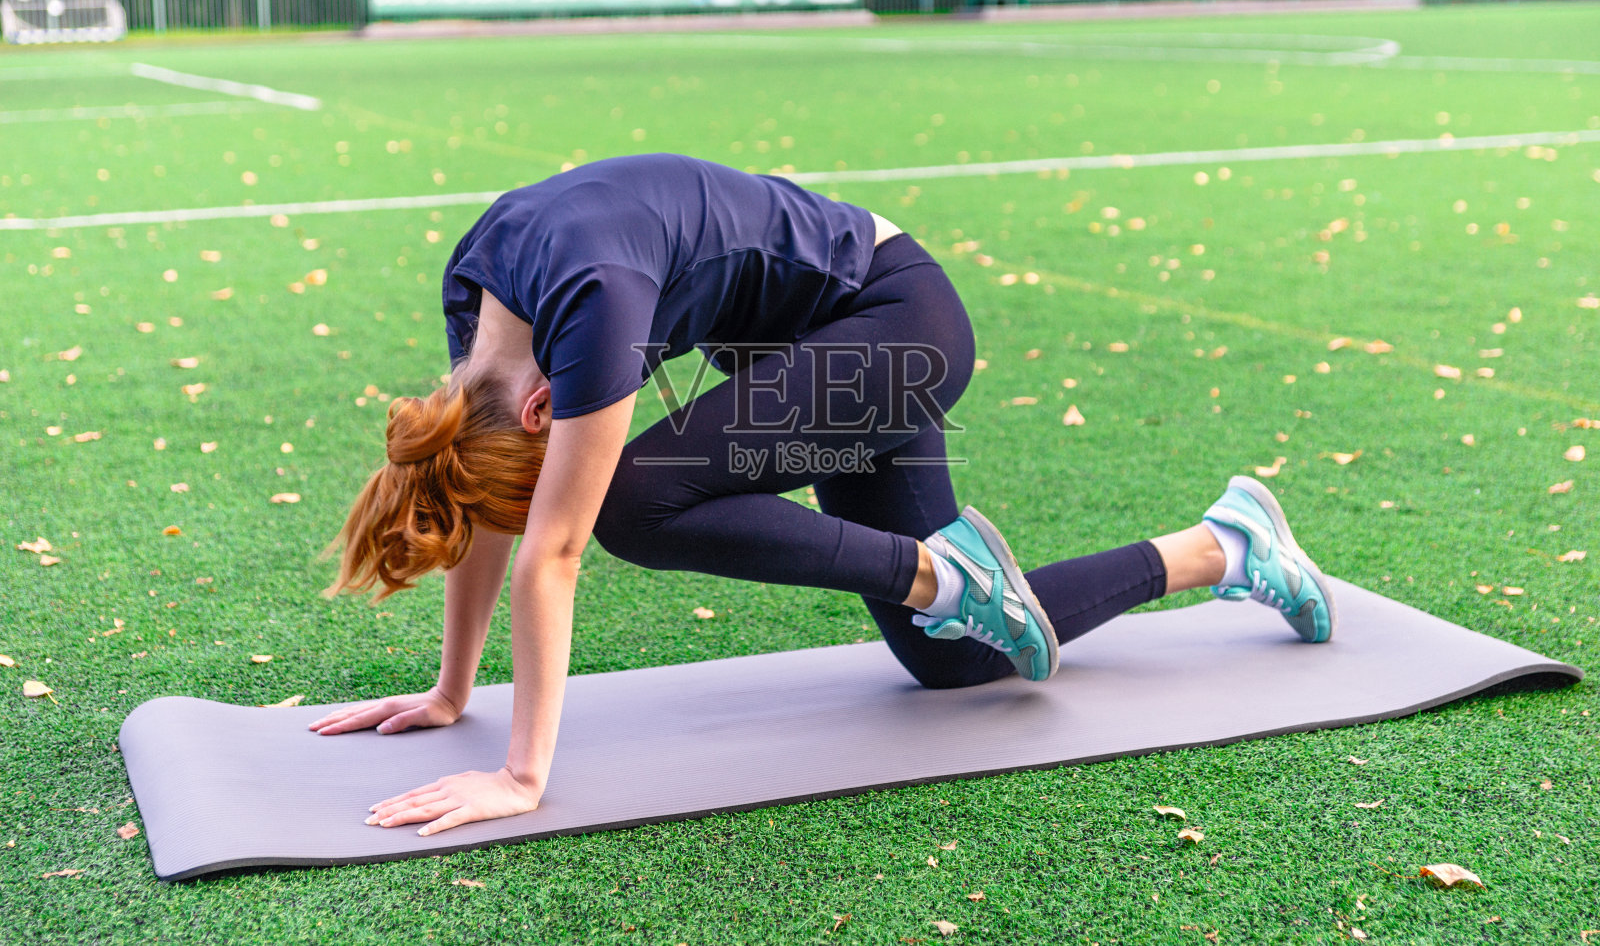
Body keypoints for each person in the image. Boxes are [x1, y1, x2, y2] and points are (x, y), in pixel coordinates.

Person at [310, 153, 1335, 838]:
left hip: (897, 320)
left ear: (541, 413)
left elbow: (556, 546)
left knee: (626, 501)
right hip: (810, 344)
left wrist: (521, 776)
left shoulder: (589, 302)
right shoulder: (480, 344)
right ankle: (1226, 545)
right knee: (956, 660)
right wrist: (452, 692)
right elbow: (491, 507)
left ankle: (943, 573)